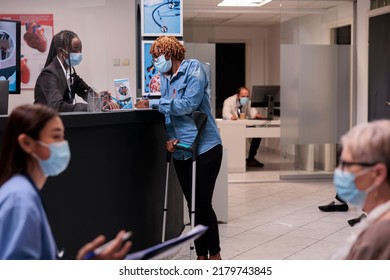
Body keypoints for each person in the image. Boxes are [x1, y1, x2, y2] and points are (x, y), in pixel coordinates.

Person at [0, 104, 131, 259]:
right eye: (56, 137)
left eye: (63, 137)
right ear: (26, 143)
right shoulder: (20, 199)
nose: (63, 144)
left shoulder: (22, 192)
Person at [135, 35, 223, 260]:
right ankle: (201, 255)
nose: (155, 61)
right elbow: (170, 116)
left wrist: (153, 103)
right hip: (182, 149)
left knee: (203, 204)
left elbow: (188, 105)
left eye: (157, 56)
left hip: (205, 146)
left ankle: (215, 255)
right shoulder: (164, 77)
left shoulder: (194, 69)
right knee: (192, 204)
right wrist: (170, 138)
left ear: (169, 53)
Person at [331, 120, 390, 259]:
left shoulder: (380, 237)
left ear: (378, 173)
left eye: (346, 165)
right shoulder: (377, 222)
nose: (339, 171)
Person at [34, 30, 118, 112]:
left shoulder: (70, 71)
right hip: (44, 122)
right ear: (60, 51)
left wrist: (101, 99)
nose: (79, 53)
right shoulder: (49, 74)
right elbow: (59, 106)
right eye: (75, 49)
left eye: (80, 49)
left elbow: (84, 91)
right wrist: (91, 107)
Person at [222, 86, 264, 167]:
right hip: (232, 126)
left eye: (247, 96)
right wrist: (231, 117)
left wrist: (256, 115)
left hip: (243, 125)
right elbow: (225, 113)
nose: (245, 98)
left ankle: (251, 158)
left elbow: (252, 112)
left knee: (257, 133)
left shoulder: (248, 102)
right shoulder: (229, 101)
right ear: (238, 96)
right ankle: (235, 160)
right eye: (243, 96)